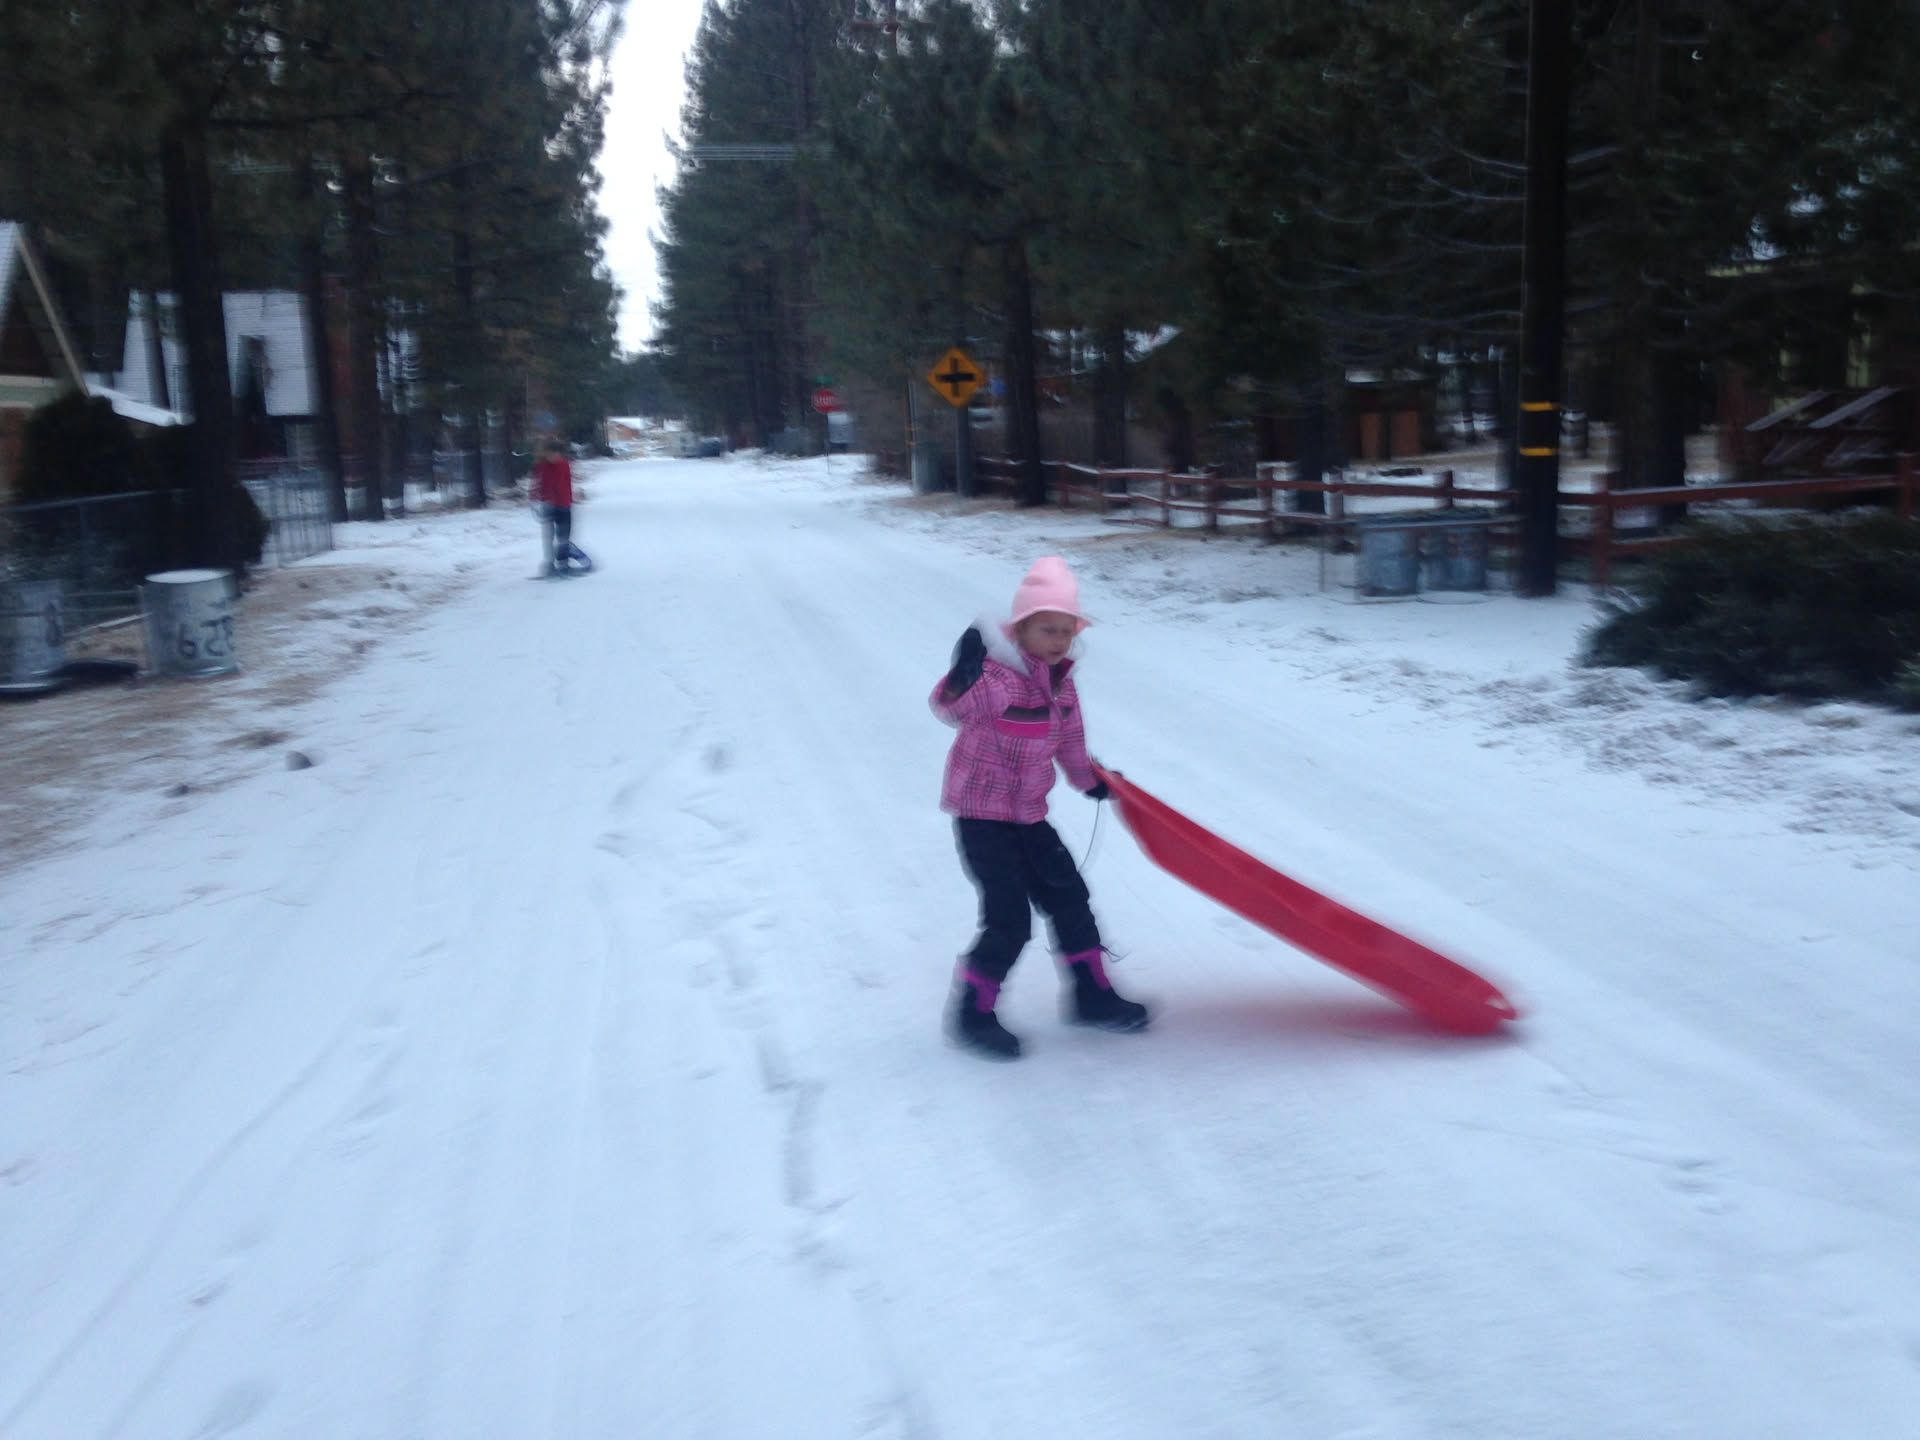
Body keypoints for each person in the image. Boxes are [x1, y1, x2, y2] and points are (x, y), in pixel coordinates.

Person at [930, 555, 1150, 1060]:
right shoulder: (994, 679)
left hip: (1029, 816)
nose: (1058, 640)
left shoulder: (1061, 683)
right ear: (1020, 629)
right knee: (1009, 919)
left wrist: (1089, 780)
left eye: (1066, 631)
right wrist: (964, 671)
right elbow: (947, 707)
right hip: (982, 818)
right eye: (1047, 629)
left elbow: (1070, 741)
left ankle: (1092, 997)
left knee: (1070, 899)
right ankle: (973, 1015)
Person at [531, 437, 575, 576]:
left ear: (559, 453)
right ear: (546, 453)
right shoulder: (541, 466)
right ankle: (550, 564)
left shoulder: (564, 464)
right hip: (547, 505)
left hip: (564, 504)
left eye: (555, 454)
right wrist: (534, 500)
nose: (553, 457)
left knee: (563, 537)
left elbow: (567, 482)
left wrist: (570, 500)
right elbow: (535, 484)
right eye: (550, 454)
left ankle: (563, 564)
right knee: (548, 537)